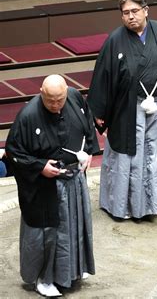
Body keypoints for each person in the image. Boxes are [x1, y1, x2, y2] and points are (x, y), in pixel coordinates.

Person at [88, 0, 157, 220]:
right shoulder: (115, 40)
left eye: (134, 11)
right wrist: (98, 110)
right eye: (125, 13)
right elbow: (102, 77)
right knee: (132, 156)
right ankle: (127, 205)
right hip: (129, 109)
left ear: (146, 10)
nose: (130, 17)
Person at [6, 74, 98, 297]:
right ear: (41, 92)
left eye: (60, 99)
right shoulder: (28, 116)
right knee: (48, 235)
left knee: (75, 227)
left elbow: (88, 127)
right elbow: (13, 153)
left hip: (73, 179)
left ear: (67, 91)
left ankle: (74, 269)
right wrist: (39, 167)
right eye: (50, 100)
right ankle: (44, 279)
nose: (56, 105)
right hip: (45, 188)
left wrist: (88, 154)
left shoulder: (75, 98)